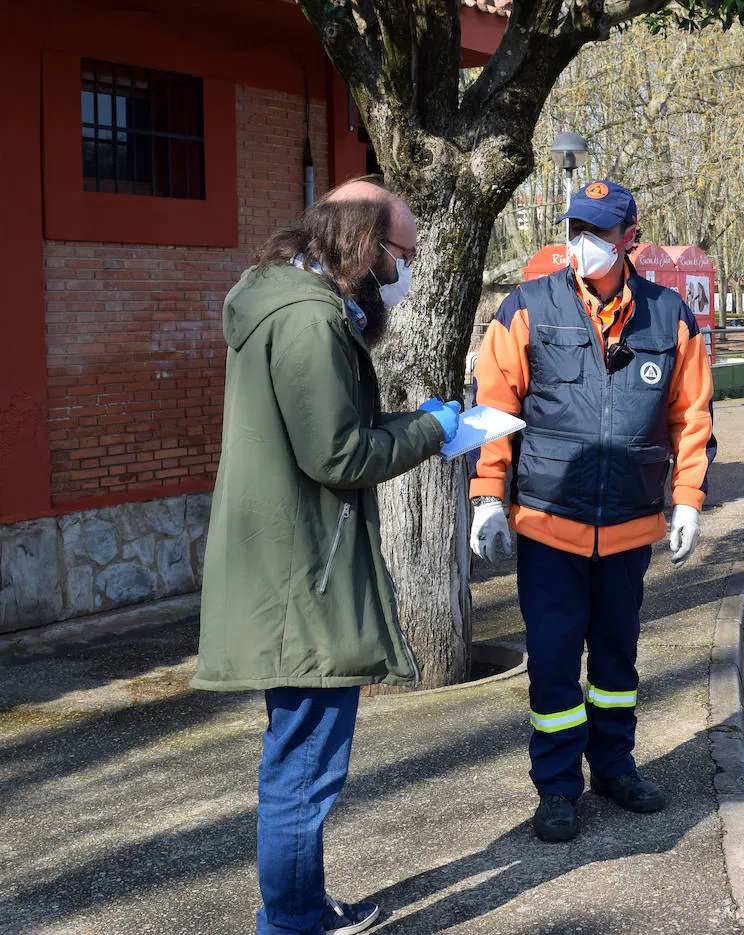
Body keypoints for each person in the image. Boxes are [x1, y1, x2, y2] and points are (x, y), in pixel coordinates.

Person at [192, 178, 466, 935]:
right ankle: (289, 923)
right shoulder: (311, 323)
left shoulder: (282, 303)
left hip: (290, 565)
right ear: (363, 243)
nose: (405, 268)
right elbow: (338, 453)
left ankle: (301, 907)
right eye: (401, 252)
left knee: (299, 760)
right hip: (304, 577)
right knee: (304, 772)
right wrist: (436, 430)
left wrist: (413, 422)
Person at [469, 179, 716, 842]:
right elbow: (494, 410)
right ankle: (556, 786)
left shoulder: (668, 317)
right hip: (549, 524)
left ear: (630, 236)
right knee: (553, 662)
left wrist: (688, 500)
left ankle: (614, 766)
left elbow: (693, 417)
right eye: (577, 227)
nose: (586, 242)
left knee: (615, 660)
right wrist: (488, 495)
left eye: (601, 231)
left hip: (630, 525)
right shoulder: (529, 307)